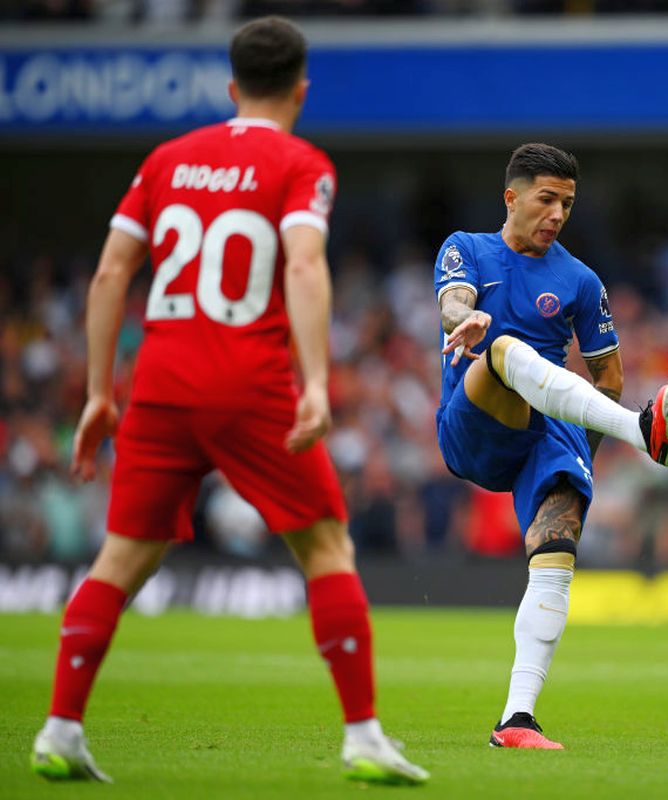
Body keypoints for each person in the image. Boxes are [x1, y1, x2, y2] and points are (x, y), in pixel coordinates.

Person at [29, 17, 428, 785]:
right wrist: (315, 382)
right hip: (248, 384)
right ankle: (364, 737)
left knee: (121, 559)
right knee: (326, 550)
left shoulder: (166, 160)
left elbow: (112, 275)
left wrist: (97, 393)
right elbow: (305, 266)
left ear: (229, 87)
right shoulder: (302, 162)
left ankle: (60, 728)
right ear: (302, 91)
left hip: (161, 384)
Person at [434, 143, 668, 750]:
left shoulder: (579, 279)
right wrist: (461, 320)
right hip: (474, 421)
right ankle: (639, 430)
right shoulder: (466, 248)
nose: (557, 214)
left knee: (556, 557)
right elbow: (453, 302)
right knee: (500, 346)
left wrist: (579, 457)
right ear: (511, 197)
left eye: (567, 204)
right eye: (546, 199)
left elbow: (609, 377)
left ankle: (517, 719)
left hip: (546, 434)